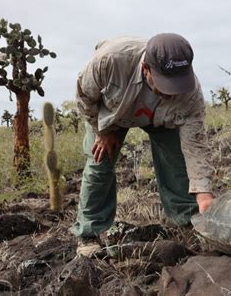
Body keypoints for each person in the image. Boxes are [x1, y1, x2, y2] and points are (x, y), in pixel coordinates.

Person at [70, 33, 214, 256]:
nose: (172, 92)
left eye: (177, 85)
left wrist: (203, 194)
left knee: (176, 161)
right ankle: (88, 232)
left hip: (161, 118)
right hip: (113, 114)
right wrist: (102, 132)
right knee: (100, 162)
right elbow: (84, 97)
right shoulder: (109, 61)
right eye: (166, 85)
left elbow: (195, 146)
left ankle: (186, 220)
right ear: (146, 69)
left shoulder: (190, 93)